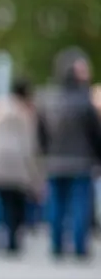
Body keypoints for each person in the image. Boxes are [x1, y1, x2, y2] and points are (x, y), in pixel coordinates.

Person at [36, 47, 101, 260]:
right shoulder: (84, 100)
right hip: (81, 161)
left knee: (56, 204)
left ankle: (56, 245)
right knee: (80, 204)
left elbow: (41, 132)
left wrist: (45, 153)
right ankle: (80, 247)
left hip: (54, 161)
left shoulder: (48, 98)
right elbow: (95, 133)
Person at [0, 79, 44, 255]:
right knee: (16, 207)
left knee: (0, 204)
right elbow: (29, 145)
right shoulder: (25, 113)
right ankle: (13, 242)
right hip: (17, 167)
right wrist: (35, 174)